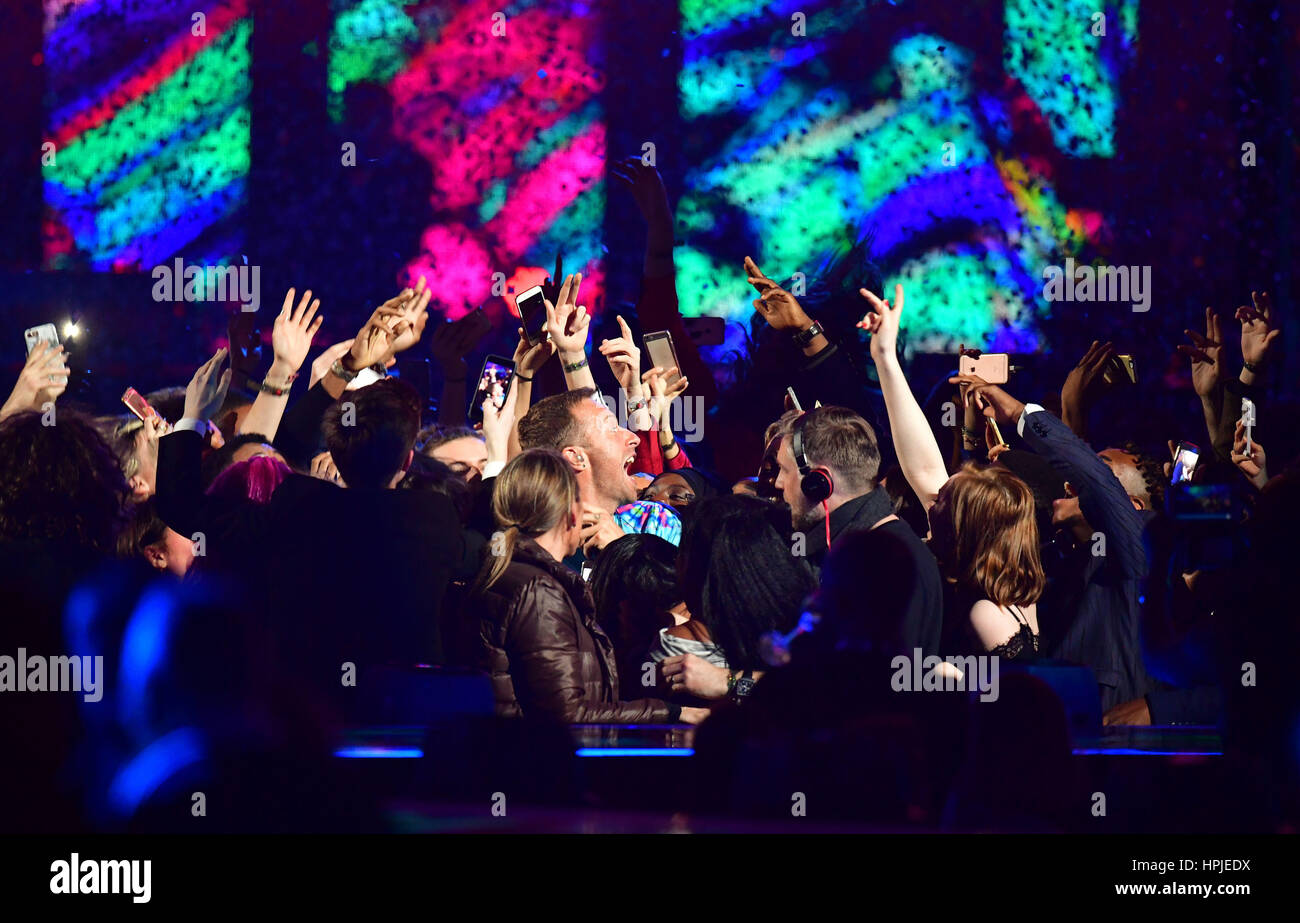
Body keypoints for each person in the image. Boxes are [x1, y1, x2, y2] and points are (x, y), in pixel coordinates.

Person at [472, 449, 706, 724]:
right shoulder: (540, 591)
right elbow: (567, 713)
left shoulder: (509, 571)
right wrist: (674, 711)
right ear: (572, 513)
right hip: (540, 757)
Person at [769, 404, 945, 656]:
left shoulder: (885, 564)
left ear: (819, 482)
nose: (778, 483)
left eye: (785, 471)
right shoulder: (863, 546)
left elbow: (870, 683)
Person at [659, 495, 815, 702]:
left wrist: (728, 681)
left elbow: (826, 688)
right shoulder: (808, 623)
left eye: (683, 551)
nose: (677, 563)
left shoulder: (684, 649)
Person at [517, 387, 680, 554]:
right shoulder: (531, 548)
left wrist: (622, 550)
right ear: (576, 458)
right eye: (613, 428)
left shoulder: (654, 520)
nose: (634, 438)